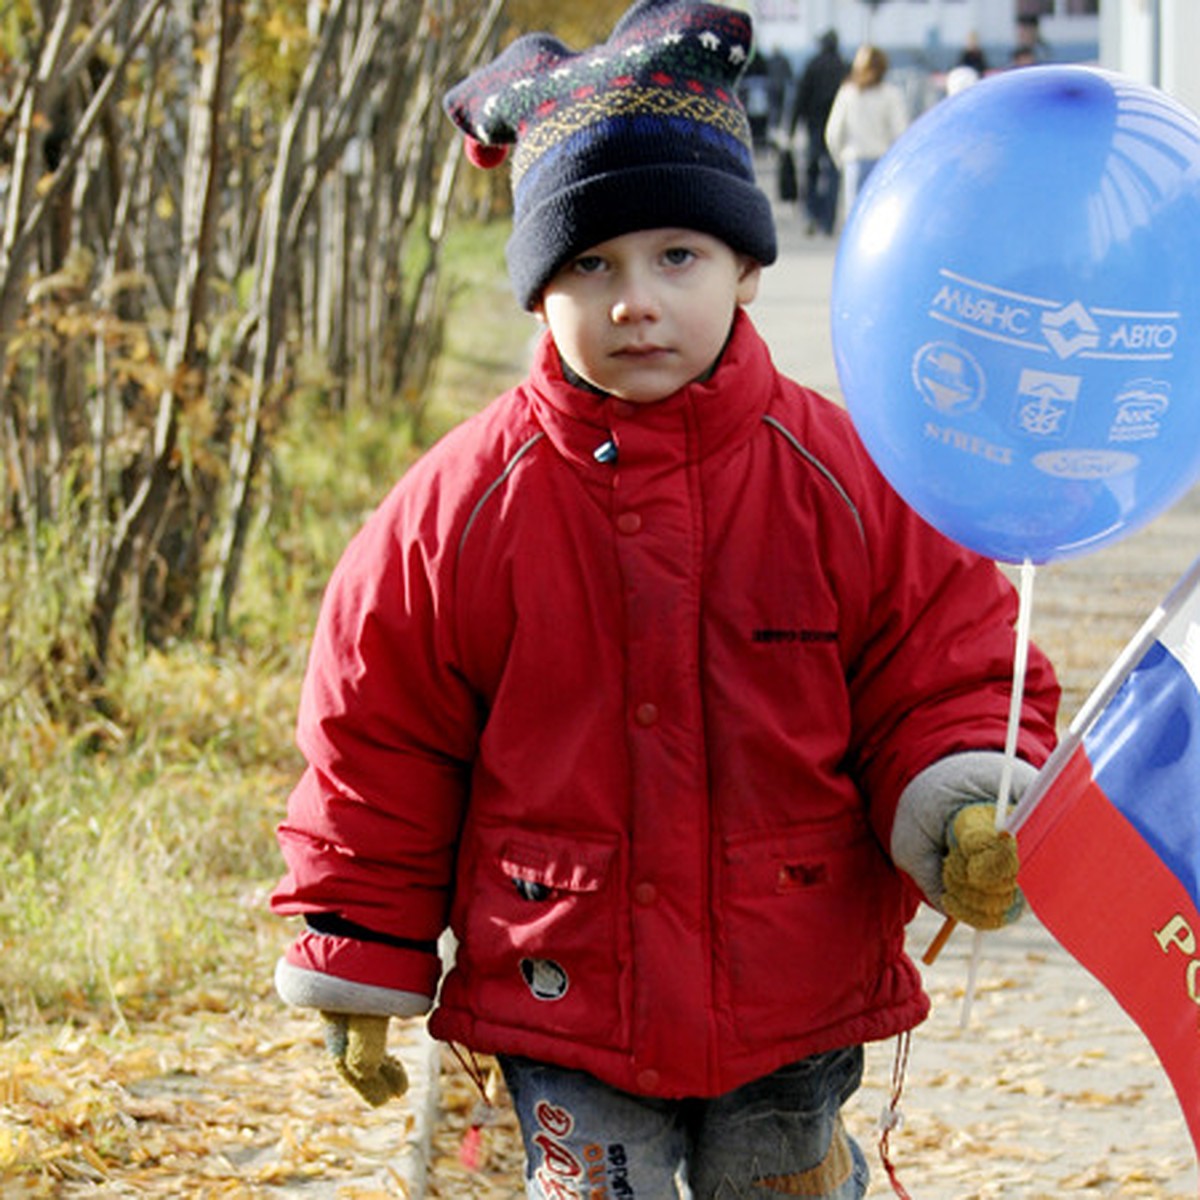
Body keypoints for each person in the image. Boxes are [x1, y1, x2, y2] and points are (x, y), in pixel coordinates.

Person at [268, 2, 1060, 1197]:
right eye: (591, 263)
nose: (636, 299)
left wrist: (960, 808)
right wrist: (360, 953)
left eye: (675, 257)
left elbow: (941, 662)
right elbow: (379, 740)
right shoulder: (464, 509)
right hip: (563, 980)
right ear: (538, 291)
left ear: (747, 263)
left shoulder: (846, 478)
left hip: (792, 979)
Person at [824, 44, 910, 217]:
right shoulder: (891, 94)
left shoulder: (847, 93)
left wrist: (841, 159)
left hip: (854, 162)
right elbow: (901, 133)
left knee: (855, 220)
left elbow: (833, 133)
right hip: (883, 164)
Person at [788, 29, 847, 237]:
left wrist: (792, 127)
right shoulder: (843, 66)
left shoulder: (812, 65)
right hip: (837, 129)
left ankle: (811, 213)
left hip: (815, 126)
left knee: (812, 172)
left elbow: (801, 97)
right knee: (832, 174)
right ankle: (828, 221)